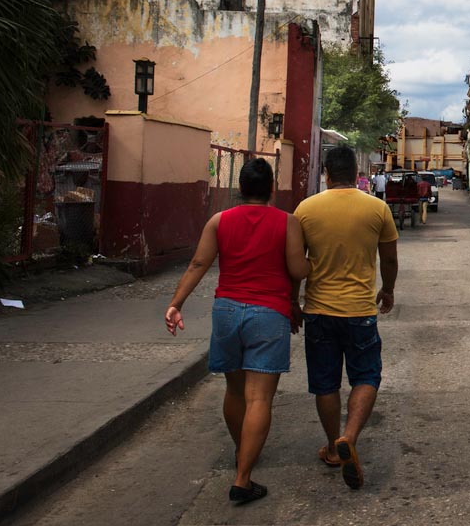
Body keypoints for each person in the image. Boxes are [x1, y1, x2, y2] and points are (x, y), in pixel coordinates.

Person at [164, 159, 309, 506]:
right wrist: (314, 263)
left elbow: (198, 264)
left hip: (227, 311)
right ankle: (243, 478)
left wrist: (176, 304)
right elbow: (296, 269)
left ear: (240, 189)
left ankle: (242, 451)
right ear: (271, 188)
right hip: (268, 314)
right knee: (260, 398)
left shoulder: (219, 221)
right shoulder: (287, 222)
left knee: (234, 390)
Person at [294, 146, 398, 491]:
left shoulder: (305, 210)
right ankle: (349, 437)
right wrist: (388, 290)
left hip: (319, 311)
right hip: (360, 312)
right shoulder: (377, 208)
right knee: (366, 375)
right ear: (356, 173)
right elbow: (389, 259)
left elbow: (295, 264)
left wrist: (293, 302)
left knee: (325, 382)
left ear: (326, 172)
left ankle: (334, 445)